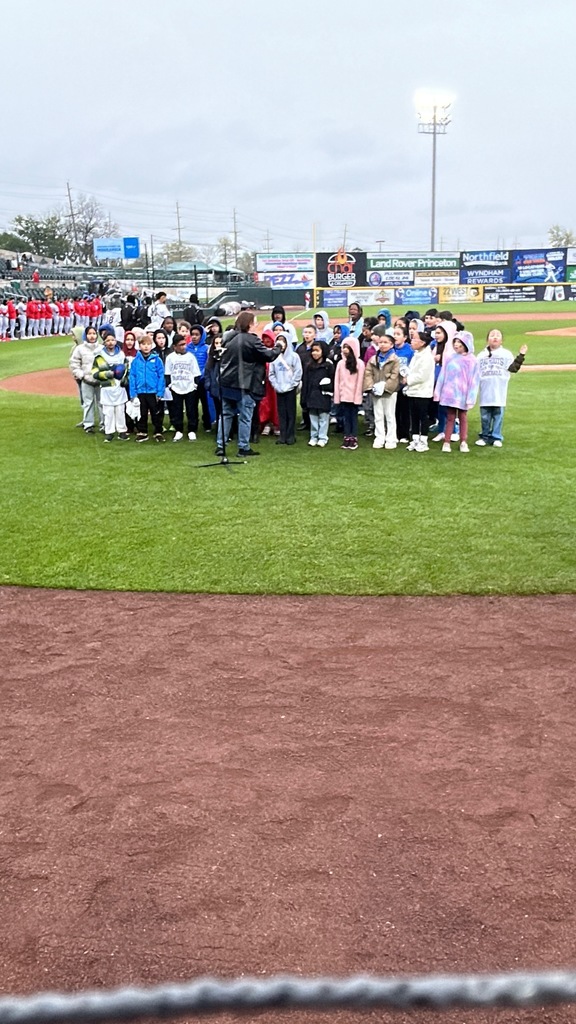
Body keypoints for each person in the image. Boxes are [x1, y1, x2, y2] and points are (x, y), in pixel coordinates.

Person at [216, 310, 283, 457]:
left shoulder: (227, 337)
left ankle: (221, 446)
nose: (256, 325)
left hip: (226, 381)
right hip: (244, 384)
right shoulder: (251, 339)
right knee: (245, 416)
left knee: (226, 414)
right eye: (255, 322)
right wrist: (278, 346)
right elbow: (269, 355)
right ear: (250, 324)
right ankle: (243, 447)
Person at [475, 330, 527, 447]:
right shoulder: (481, 355)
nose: (495, 337)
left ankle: (496, 437)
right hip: (485, 391)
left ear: (501, 340)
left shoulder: (506, 354)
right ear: (487, 339)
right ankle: (485, 436)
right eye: (492, 335)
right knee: (485, 416)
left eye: (498, 336)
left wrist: (521, 356)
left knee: (498, 415)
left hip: (499, 390)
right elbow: (475, 373)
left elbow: (513, 368)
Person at [434, 330, 480, 453]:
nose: (456, 345)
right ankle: (447, 441)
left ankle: (463, 441)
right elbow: (443, 375)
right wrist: (438, 391)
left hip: (463, 394)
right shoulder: (449, 358)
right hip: (449, 394)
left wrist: (471, 397)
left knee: (463, 417)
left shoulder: (472, 360)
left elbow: (474, 380)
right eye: (455, 342)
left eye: (459, 342)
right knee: (450, 417)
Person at [363, 327, 400, 450]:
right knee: (378, 415)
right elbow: (368, 373)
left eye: (386, 342)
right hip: (376, 391)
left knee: (389, 415)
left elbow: (395, 376)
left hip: (389, 392)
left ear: (391, 344)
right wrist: (371, 386)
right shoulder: (374, 359)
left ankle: (391, 438)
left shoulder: (395, 359)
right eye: (381, 342)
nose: (383, 345)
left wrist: (385, 386)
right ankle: (379, 437)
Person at [92, 333, 130, 442]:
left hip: (119, 387)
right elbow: (94, 372)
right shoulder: (99, 355)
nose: (110, 342)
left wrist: (123, 377)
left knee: (120, 410)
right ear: (104, 342)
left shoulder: (121, 355)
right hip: (106, 387)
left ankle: (122, 431)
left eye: (113, 340)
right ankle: (109, 432)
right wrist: (107, 374)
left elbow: (127, 369)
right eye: (108, 340)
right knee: (108, 412)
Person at [129, 333, 166, 443]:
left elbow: (161, 376)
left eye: (148, 344)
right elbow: (132, 376)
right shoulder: (136, 361)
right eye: (143, 344)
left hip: (153, 391)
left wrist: (160, 392)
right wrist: (133, 394)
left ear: (152, 346)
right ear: (139, 346)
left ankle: (158, 431)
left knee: (156, 413)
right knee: (142, 412)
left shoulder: (157, 360)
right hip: (141, 391)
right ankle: (142, 432)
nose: (146, 346)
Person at [268, 331, 302, 445]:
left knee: (291, 413)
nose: (281, 343)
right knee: (281, 413)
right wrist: (276, 386)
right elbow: (271, 374)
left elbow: (298, 372)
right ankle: (283, 435)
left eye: (283, 340)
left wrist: (291, 385)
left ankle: (290, 435)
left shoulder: (294, 356)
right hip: (279, 389)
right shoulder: (275, 357)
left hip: (290, 389)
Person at [165, 334, 201, 442]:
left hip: (190, 388)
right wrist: (171, 385)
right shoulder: (170, 358)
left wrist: (195, 385)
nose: (183, 347)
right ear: (175, 346)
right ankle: (179, 430)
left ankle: (192, 430)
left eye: (184, 344)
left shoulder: (191, 357)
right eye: (180, 345)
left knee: (192, 410)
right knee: (177, 410)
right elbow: (167, 373)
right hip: (176, 388)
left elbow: (196, 373)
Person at [403, 331, 435, 452]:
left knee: (423, 416)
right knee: (414, 416)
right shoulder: (417, 354)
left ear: (422, 343)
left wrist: (408, 380)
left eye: (415, 339)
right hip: (413, 391)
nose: (412, 341)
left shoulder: (427, 357)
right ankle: (415, 439)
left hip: (423, 391)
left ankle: (424, 440)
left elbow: (422, 376)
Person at [69, 325, 103, 434]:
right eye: (89, 334)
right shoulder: (80, 349)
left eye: (94, 333)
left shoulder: (102, 348)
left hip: (100, 380)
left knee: (101, 403)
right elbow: (74, 363)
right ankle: (88, 424)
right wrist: (81, 374)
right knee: (88, 403)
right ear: (86, 335)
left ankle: (104, 424)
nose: (92, 336)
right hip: (86, 379)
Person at [300, 340, 334, 448]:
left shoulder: (328, 366)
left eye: (317, 351)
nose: (314, 353)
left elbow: (333, 381)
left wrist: (329, 388)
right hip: (311, 395)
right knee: (313, 417)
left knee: (323, 417)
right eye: (313, 351)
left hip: (323, 395)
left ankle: (323, 437)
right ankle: (313, 436)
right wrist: (304, 397)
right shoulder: (309, 366)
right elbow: (305, 382)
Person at [334, 334, 364, 450]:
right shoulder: (341, 363)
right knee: (346, 416)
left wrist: (357, 397)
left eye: (348, 347)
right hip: (344, 395)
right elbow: (337, 380)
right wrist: (338, 396)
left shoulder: (359, 364)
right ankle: (347, 436)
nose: (345, 350)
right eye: (344, 347)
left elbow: (360, 381)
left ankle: (353, 437)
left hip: (353, 395)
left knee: (353, 416)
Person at [186, 323, 212, 435]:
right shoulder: (187, 348)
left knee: (205, 403)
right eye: (192, 334)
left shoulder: (207, 348)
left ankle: (207, 423)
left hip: (203, 380)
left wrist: (201, 375)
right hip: (190, 381)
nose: (194, 337)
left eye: (197, 334)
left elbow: (208, 364)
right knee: (192, 404)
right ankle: (193, 425)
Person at [392, 322, 414, 443]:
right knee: (394, 411)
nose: (395, 336)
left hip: (404, 385)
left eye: (398, 334)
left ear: (405, 337)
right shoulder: (391, 349)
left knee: (405, 411)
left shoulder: (409, 350)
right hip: (393, 385)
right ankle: (395, 433)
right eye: (394, 334)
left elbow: (412, 365)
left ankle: (405, 434)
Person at [258, 329, 281, 437]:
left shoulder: (275, 352)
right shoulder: (261, 351)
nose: (266, 341)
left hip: (275, 383)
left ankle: (276, 425)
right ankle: (266, 423)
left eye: (268, 338)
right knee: (265, 404)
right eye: (264, 339)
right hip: (264, 383)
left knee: (276, 404)